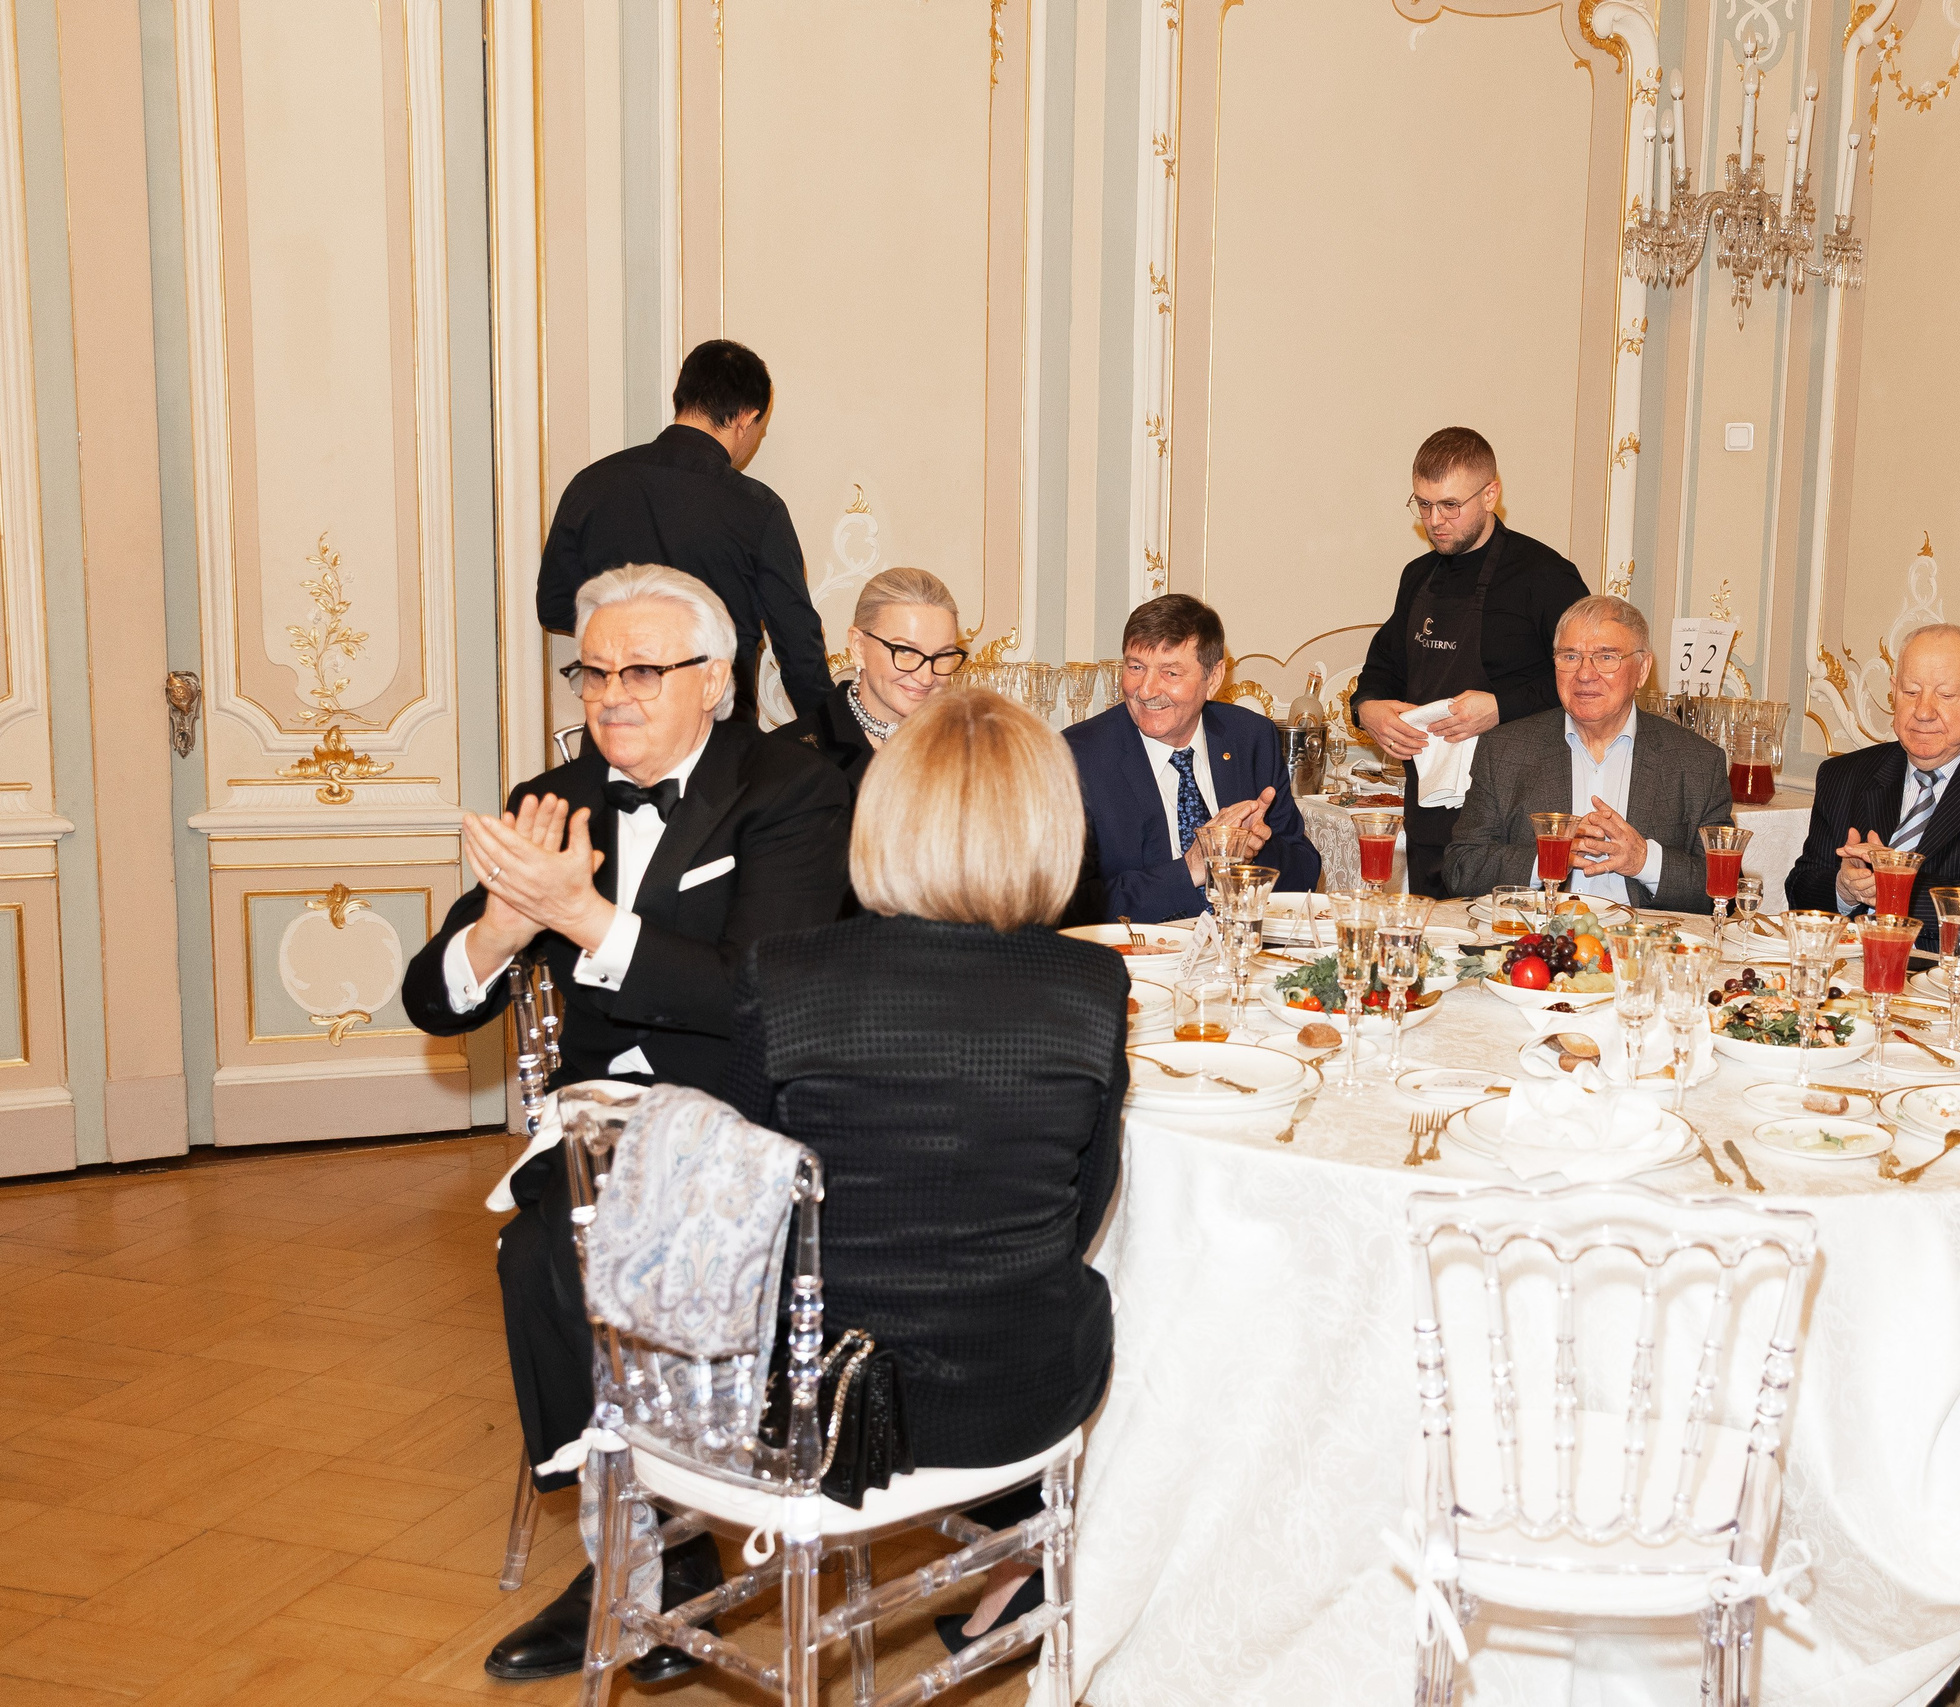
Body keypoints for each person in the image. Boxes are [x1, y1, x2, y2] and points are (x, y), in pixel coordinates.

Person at [400, 565, 852, 1684]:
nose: (611, 695)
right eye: (593, 672)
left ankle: (659, 1539)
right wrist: (504, 929)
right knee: (548, 1253)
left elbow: (754, 994)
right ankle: (644, 1540)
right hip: (600, 1123)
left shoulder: (793, 789)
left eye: (642, 671)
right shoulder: (554, 799)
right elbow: (431, 999)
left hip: (743, 1113)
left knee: (581, 1254)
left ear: (716, 681)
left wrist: (585, 916)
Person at [724, 687, 1123, 1656]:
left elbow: (747, 1214)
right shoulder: (1092, 984)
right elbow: (1081, 1210)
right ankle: (1037, 1563)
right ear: (1050, 828)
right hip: (1019, 1392)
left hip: (821, 1404)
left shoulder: (785, 974)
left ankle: (1018, 1569)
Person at [537, 339, 834, 724]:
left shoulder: (591, 484)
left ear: (682, 398)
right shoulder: (758, 508)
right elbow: (799, 651)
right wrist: (839, 746)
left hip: (616, 721)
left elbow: (554, 605)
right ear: (746, 418)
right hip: (715, 729)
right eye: (758, 429)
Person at [1350, 427, 1588, 897]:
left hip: (1517, 813)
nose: (1434, 520)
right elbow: (1381, 669)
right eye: (1423, 504)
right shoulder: (1417, 577)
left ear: (1491, 494)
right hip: (1431, 808)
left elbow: (1587, 680)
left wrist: (1502, 706)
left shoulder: (1546, 576)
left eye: (1450, 505)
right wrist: (1368, 709)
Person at [1782, 623, 1960, 963]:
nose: (1923, 711)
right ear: (1893, 691)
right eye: (1910, 692)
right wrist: (1843, 889)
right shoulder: (1844, 775)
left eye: (1945, 695)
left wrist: (1897, 888)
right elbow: (1801, 887)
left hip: (1959, 983)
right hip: (1848, 977)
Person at [1441, 595, 1735, 909]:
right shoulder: (1504, 750)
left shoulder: (1697, 762)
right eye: (1570, 656)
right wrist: (1547, 858)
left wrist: (1644, 860)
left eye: (1606, 657)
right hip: (1538, 931)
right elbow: (1462, 868)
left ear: (1642, 670)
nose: (1584, 674)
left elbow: (1724, 892)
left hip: (1643, 936)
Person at [1063, 594, 1320, 922]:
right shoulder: (1078, 757)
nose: (1146, 690)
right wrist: (1191, 868)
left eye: (1170, 673)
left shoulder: (1250, 737)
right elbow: (1068, 907)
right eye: (1136, 667)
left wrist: (1254, 849)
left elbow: (1305, 873)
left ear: (1213, 678)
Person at [772, 565, 970, 794]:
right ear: (859, 646)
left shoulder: (968, 750)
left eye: (943, 655)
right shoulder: (788, 758)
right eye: (905, 651)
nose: (925, 677)